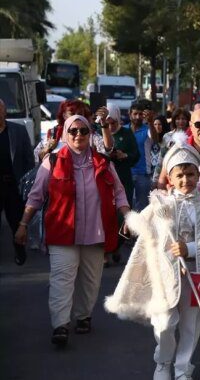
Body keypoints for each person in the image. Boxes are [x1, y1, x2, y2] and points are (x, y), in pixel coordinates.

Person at [105, 140, 200, 380]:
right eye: (180, 175)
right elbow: (140, 226)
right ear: (170, 178)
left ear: (197, 174)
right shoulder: (161, 205)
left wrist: (190, 248)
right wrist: (135, 224)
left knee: (190, 326)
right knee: (165, 323)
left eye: (191, 174)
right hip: (166, 275)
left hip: (197, 274)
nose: (186, 180)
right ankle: (163, 362)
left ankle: (183, 368)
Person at [15, 115, 130, 347]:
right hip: (62, 232)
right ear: (65, 134)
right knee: (61, 279)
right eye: (74, 131)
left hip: (96, 233)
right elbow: (36, 195)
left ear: (90, 134)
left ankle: (83, 316)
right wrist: (23, 224)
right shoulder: (53, 161)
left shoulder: (104, 162)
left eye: (84, 131)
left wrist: (128, 216)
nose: (79, 135)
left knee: (90, 280)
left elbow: (119, 192)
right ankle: (60, 325)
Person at [0, 98, 34, 265]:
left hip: (13, 185)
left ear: (5, 112)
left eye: (0, 109)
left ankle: (19, 250)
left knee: (16, 222)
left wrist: (27, 182)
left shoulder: (18, 131)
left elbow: (29, 158)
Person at [35, 100, 109, 161]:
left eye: (80, 114)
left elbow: (106, 150)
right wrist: (47, 148)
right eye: (72, 114)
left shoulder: (89, 133)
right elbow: (36, 157)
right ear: (64, 116)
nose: (76, 117)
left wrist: (104, 123)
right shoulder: (53, 133)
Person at [101, 105, 140, 210]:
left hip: (123, 178)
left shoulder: (126, 133)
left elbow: (136, 155)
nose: (110, 126)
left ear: (118, 119)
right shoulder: (100, 132)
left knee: (124, 209)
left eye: (113, 123)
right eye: (107, 123)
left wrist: (124, 155)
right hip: (105, 178)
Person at [128, 101, 156, 211]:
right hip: (126, 174)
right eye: (135, 114)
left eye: (140, 114)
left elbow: (155, 139)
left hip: (143, 175)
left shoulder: (147, 129)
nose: (138, 117)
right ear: (130, 114)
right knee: (127, 205)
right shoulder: (124, 129)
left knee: (143, 209)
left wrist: (151, 122)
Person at [149, 115, 170, 183]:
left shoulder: (168, 139)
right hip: (149, 173)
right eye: (155, 124)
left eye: (160, 124)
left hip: (163, 173)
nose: (157, 127)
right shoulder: (148, 139)